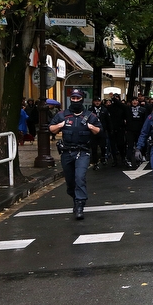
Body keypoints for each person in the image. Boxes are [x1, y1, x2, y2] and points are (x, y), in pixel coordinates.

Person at [48, 89, 102, 220]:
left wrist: (91, 127)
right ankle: (75, 197)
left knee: (80, 177)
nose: (76, 101)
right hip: (67, 152)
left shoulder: (90, 116)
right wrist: (59, 126)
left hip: (82, 152)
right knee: (70, 181)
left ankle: (80, 205)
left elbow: (99, 130)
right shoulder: (63, 115)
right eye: (73, 98)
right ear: (70, 99)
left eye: (78, 98)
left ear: (82, 99)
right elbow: (51, 129)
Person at [124, 97, 147, 168]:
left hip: (139, 130)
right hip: (130, 130)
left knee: (140, 145)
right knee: (130, 145)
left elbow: (145, 120)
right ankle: (129, 159)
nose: (134, 102)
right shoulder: (127, 109)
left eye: (136, 100)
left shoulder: (143, 110)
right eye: (133, 100)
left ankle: (141, 157)